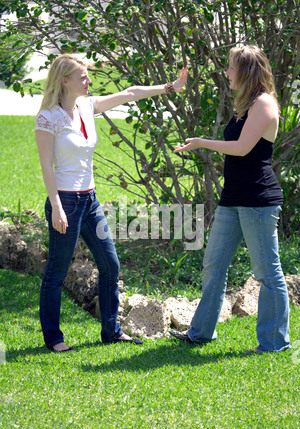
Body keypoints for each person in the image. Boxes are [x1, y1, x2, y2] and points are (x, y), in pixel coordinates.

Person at [35, 53, 188, 352]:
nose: (89, 80)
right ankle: (53, 338)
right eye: (83, 77)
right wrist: (56, 206)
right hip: (65, 200)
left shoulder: (87, 106)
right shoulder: (48, 117)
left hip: (89, 201)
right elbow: (46, 168)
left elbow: (130, 93)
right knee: (56, 271)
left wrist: (170, 87)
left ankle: (111, 331)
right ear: (65, 81)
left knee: (110, 264)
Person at [171, 45, 290, 354]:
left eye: (231, 68)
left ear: (247, 71)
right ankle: (200, 333)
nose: (226, 73)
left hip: (258, 200)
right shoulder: (247, 104)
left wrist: (201, 143)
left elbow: (241, 148)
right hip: (234, 197)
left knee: (267, 272)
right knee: (213, 264)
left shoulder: (264, 104)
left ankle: (274, 343)